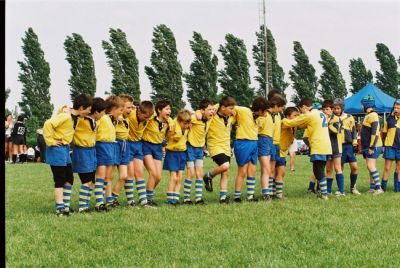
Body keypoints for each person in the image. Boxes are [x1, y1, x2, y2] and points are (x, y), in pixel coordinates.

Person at [43, 94, 92, 216]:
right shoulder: (65, 116)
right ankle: (60, 208)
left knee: (69, 178)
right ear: (81, 108)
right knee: (59, 179)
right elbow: (48, 124)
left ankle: (65, 206)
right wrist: (50, 141)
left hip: (65, 150)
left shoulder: (73, 116)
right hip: (57, 149)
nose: (89, 112)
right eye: (88, 109)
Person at [282, 99, 332, 200]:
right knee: (320, 168)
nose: (301, 113)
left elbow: (292, 123)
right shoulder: (319, 113)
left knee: (318, 170)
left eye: (301, 110)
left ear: (304, 107)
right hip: (326, 145)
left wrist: (282, 120)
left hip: (318, 145)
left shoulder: (309, 115)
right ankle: (323, 192)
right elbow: (303, 124)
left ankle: (324, 194)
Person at [72, 97, 107, 213]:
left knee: (91, 181)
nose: (104, 114)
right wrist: (67, 110)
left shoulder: (95, 121)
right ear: (96, 112)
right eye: (103, 112)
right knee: (86, 181)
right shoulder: (80, 120)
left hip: (92, 152)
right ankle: (82, 207)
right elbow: (67, 113)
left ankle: (85, 204)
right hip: (82, 151)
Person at [232, 97, 268, 203]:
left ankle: (250, 196)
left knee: (252, 171)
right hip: (243, 143)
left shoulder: (259, 118)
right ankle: (237, 196)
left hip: (254, 143)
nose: (266, 113)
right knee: (242, 171)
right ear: (260, 109)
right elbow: (227, 106)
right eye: (265, 110)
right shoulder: (244, 111)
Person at [203, 96, 236, 203]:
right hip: (215, 146)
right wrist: (216, 106)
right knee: (225, 165)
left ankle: (223, 197)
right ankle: (208, 175)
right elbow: (204, 111)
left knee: (226, 172)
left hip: (226, 147)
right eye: (230, 108)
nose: (233, 110)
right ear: (222, 107)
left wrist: (232, 111)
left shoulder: (231, 116)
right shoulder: (213, 115)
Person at [94, 96, 124, 212]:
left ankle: (108, 200)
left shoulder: (114, 120)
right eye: (120, 110)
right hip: (102, 146)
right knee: (101, 175)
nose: (121, 113)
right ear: (113, 108)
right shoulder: (102, 118)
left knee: (109, 176)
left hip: (111, 146)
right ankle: (99, 202)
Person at [143, 100, 173, 207]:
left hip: (158, 148)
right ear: (159, 110)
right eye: (167, 109)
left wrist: (171, 127)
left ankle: (145, 196)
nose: (169, 111)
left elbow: (169, 137)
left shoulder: (169, 122)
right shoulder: (151, 117)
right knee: (153, 174)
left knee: (158, 177)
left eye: (170, 109)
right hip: (146, 146)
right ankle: (148, 200)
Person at [184, 99, 214, 205]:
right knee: (191, 173)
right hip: (190, 148)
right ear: (202, 110)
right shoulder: (194, 118)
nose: (212, 111)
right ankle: (186, 199)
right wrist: (195, 112)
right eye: (209, 109)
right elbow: (183, 117)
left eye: (213, 109)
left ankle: (198, 199)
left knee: (200, 173)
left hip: (199, 149)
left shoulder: (210, 119)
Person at [125, 100, 155, 208]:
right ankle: (130, 202)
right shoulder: (130, 114)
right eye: (145, 117)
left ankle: (143, 201)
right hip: (128, 144)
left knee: (140, 173)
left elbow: (161, 115)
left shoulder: (149, 115)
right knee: (130, 174)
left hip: (138, 145)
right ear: (139, 112)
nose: (146, 120)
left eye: (148, 118)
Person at [256, 96, 285, 201]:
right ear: (276, 106)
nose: (282, 110)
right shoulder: (264, 114)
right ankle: (266, 193)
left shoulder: (277, 116)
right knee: (266, 169)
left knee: (271, 168)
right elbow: (256, 128)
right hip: (263, 140)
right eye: (281, 108)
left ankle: (271, 192)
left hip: (272, 142)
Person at [332, 98, 361, 195]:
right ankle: (340, 189)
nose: (336, 110)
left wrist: (355, 143)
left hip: (349, 146)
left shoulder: (350, 117)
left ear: (342, 108)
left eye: (338, 108)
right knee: (340, 168)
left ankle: (353, 187)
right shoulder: (332, 118)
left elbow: (354, 131)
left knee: (354, 167)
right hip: (338, 146)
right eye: (334, 108)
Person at [111, 94, 135, 207]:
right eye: (128, 107)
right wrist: (115, 118)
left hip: (126, 145)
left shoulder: (128, 119)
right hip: (115, 145)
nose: (130, 110)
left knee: (124, 176)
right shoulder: (113, 118)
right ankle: (104, 199)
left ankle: (114, 197)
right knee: (108, 176)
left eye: (131, 107)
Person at [164, 109, 192, 205]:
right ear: (179, 121)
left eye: (188, 123)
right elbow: (169, 119)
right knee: (173, 177)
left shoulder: (188, 128)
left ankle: (175, 198)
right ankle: (169, 199)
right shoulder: (174, 125)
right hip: (172, 153)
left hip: (182, 153)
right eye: (184, 123)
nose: (186, 125)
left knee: (179, 177)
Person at [360, 95, 384, 195]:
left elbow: (374, 133)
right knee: (369, 166)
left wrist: (372, 147)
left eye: (362, 105)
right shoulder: (369, 115)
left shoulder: (373, 115)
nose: (361, 107)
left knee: (371, 165)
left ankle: (379, 188)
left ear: (366, 105)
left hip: (373, 146)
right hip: (368, 146)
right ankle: (372, 187)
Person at [275, 106, 299, 199]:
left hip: (283, 151)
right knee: (280, 172)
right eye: (295, 115)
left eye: (297, 115)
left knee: (280, 173)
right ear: (288, 116)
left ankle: (276, 193)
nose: (297, 117)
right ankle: (276, 194)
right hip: (278, 150)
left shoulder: (294, 124)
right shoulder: (284, 121)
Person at [322, 100, 345, 197]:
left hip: (336, 147)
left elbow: (336, 131)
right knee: (328, 169)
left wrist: (328, 123)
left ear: (331, 110)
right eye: (323, 109)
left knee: (338, 168)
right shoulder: (322, 119)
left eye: (327, 109)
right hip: (327, 147)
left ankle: (341, 191)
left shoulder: (336, 119)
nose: (325, 111)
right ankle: (328, 191)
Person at [381, 99, 400, 192]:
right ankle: (383, 188)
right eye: (395, 107)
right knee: (387, 168)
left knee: (399, 168)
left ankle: (397, 188)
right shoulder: (389, 119)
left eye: (398, 107)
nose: (396, 109)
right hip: (389, 146)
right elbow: (384, 133)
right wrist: (383, 145)